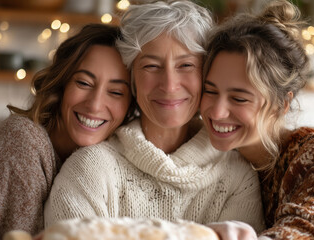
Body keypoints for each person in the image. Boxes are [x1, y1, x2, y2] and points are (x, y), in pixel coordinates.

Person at [44, 0, 265, 233]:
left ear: (204, 73)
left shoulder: (238, 177)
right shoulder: (90, 169)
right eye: (151, 66)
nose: (169, 85)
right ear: (132, 79)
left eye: (186, 65)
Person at [200, 0, 314, 239]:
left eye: (239, 99)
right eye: (211, 91)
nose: (217, 112)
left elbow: (304, 231)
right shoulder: (221, 161)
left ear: (282, 104)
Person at [0, 23, 135, 240]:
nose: (95, 105)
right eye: (84, 83)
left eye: (115, 92)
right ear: (62, 84)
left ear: (129, 106)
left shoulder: (98, 161)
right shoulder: (22, 141)